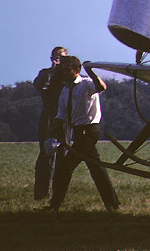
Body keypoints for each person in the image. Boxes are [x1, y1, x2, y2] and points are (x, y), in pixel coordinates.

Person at [46, 56, 120, 212]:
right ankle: (112, 204)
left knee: (66, 167)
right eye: (62, 70)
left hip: (90, 130)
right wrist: (54, 128)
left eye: (67, 70)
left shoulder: (86, 84)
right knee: (96, 168)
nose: (64, 73)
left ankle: (55, 205)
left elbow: (101, 87)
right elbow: (61, 113)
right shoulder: (65, 89)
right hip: (79, 131)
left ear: (77, 71)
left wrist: (91, 72)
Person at [32, 46, 67, 200]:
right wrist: (52, 71)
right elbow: (38, 85)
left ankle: (58, 194)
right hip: (48, 117)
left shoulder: (68, 76)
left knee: (63, 156)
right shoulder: (45, 73)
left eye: (62, 57)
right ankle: (41, 193)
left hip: (64, 118)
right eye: (56, 57)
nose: (58, 60)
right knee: (45, 154)